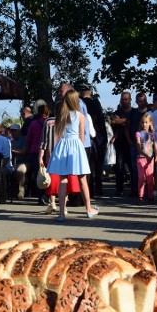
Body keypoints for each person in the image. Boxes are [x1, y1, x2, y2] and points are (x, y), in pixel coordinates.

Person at [46, 89, 98, 222]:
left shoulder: (61, 115)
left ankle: (62, 214)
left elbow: (58, 133)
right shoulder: (80, 115)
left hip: (63, 145)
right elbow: (82, 136)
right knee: (82, 179)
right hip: (76, 145)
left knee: (63, 179)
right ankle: (89, 209)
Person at [110, 91, 133, 196]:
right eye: (122, 99)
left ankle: (134, 189)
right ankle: (119, 189)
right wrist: (125, 122)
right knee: (119, 166)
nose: (124, 101)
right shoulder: (117, 112)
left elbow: (130, 122)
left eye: (126, 99)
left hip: (131, 143)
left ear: (130, 100)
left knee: (132, 167)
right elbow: (113, 121)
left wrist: (123, 121)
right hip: (119, 142)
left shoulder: (134, 112)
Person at [135, 113, 157, 203]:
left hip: (150, 159)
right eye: (143, 122)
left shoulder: (153, 134)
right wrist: (146, 156)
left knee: (150, 178)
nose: (144, 124)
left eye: (146, 122)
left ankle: (150, 195)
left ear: (150, 123)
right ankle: (140, 196)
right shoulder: (138, 134)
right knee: (141, 178)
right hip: (141, 158)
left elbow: (155, 146)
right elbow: (138, 146)